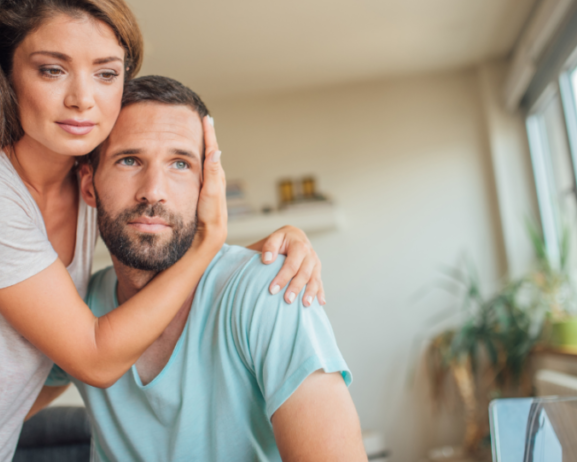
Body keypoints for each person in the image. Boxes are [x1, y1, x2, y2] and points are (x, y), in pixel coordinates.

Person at [0, 0, 324, 461]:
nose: (82, 98)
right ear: (4, 75)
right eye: (52, 70)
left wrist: (258, 254)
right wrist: (208, 242)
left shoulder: (86, 181)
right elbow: (94, 356)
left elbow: (147, 240)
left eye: (106, 73)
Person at [29, 76, 367, 461]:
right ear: (88, 185)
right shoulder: (79, 307)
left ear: (207, 186)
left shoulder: (269, 292)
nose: (153, 190)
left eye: (179, 163)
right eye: (129, 160)